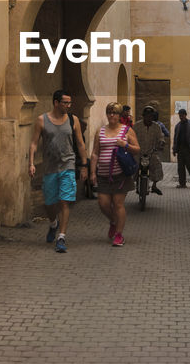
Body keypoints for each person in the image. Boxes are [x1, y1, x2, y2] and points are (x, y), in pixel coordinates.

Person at [28, 89, 88, 253]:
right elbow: (33, 143)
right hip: (50, 167)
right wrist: (31, 163)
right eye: (65, 103)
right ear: (56, 103)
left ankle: (61, 237)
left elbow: (80, 143)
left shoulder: (72, 119)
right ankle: (53, 224)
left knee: (64, 201)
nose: (68, 105)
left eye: (70, 103)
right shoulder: (42, 120)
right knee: (49, 204)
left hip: (68, 165)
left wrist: (84, 165)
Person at [90, 101, 140, 247]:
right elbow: (94, 153)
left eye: (115, 113)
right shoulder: (100, 131)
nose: (112, 115)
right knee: (103, 203)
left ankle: (119, 235)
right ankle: (113, 221)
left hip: (120, 175)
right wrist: (93, 172)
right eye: (109, 112)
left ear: (119, 116)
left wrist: (125, 145)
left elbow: (137, 149)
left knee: (118, 204)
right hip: (103, 175)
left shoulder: (127, 131)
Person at [137, 105, 167, 194]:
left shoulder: (157, 127)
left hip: (151, 153)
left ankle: (154, 185)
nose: (148, 118)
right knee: (132, 164)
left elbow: (161, 137)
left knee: (157, 164)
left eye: (150, 116)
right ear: (143, 116)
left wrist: (161, 142)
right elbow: (131, 136)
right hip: (138, 152)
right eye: (146, 116)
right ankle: (132, 183)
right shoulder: (137, 126)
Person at [172, 108, 190, 187]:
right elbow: (175, 138)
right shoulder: (178, 126)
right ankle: (182, 183)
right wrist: (174, 149)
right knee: (180, 168)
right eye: (180, 116)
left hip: (189, 149)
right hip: (180, 150)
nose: (181, 117)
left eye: (182, 115)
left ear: (185, 115)